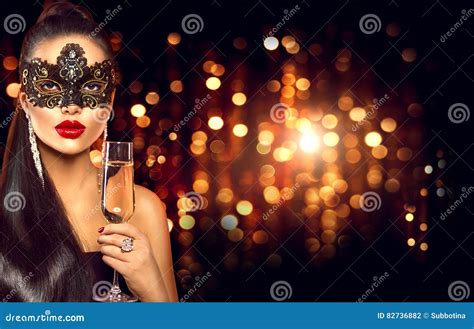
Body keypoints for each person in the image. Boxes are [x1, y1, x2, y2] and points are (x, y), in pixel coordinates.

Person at [0, 1, 178, 302]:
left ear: (109, 99)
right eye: (51, 86)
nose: (72, 105)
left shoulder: (143, 209)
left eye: (91, 87)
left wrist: (153, 290)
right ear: (26, 98)